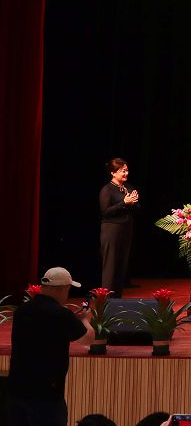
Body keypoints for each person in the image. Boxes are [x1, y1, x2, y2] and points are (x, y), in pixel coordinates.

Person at [7, 267, 93, 426]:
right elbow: (87, 339)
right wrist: (85, 320)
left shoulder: (22, 310)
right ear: (61, 289)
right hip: (47, 395)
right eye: (68, 290)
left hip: (17, 391)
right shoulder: (60, 314)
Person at [99, 157, 139, 296]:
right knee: (110, 266)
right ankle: (106, 300)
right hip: (111, 230)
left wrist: (133, 203)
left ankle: (117, 299)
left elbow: (137, 208)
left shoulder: (129, 187)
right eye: (123, 171)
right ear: (113, 173)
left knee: (122, 265)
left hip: (126, 229)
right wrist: (124, 203)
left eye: (127, 170)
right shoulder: (107, 189)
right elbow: (105, 211)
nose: (126, 173)